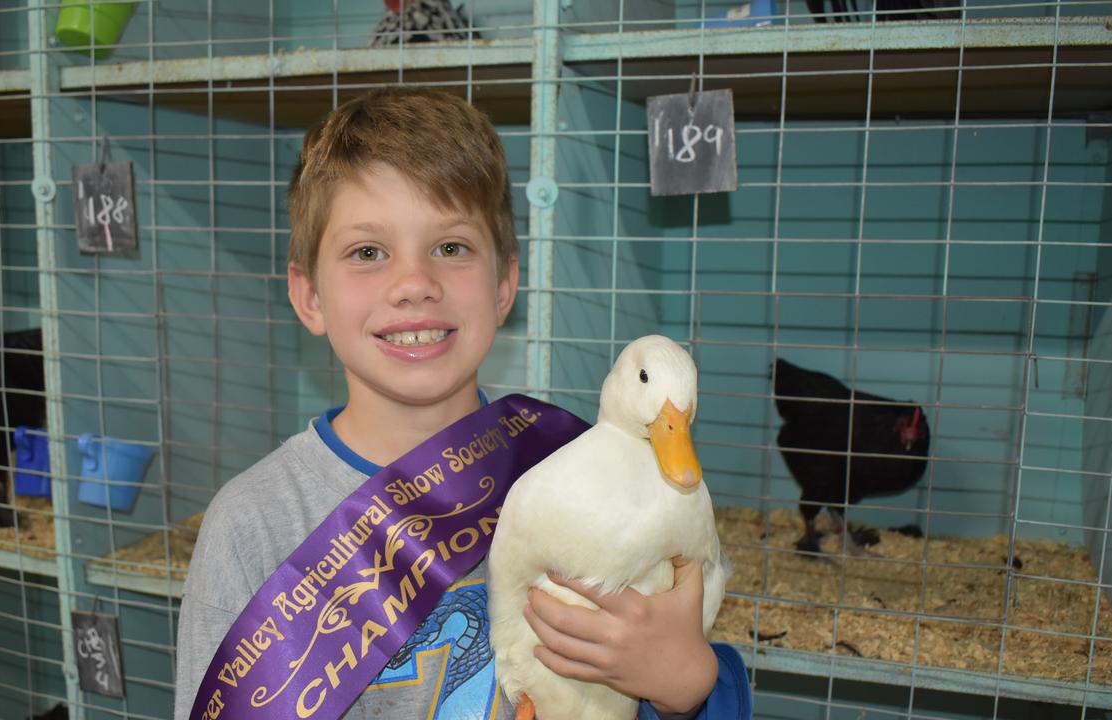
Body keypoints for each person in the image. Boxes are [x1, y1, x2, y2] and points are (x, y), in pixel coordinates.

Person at [173, 86, 751, 720]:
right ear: (309, 296)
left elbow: (678, 666)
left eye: (451, 248)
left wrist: (691, 687)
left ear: (505, 286)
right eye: (368, 252)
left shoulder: (579, 464)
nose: (415, 284)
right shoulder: (254, 524)